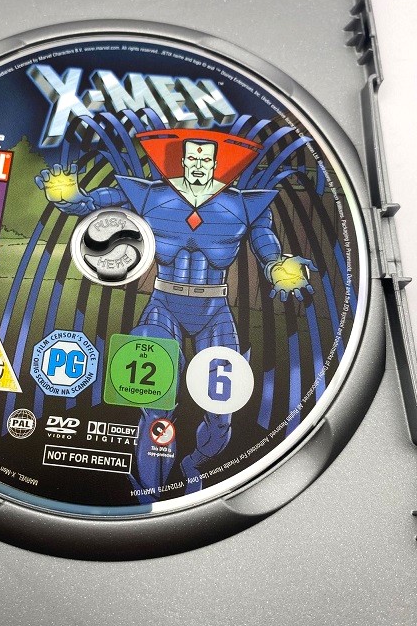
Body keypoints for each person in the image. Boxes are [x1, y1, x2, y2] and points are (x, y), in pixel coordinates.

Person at [36, 131, 316, 498]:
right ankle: (149, 492)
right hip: (163, 306)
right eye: (193, 160)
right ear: (182, 162)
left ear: (216, 165)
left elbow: (266, 242)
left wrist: (277, 266)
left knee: (221, 416)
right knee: (154, 405)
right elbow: (96, 202)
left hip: (214, 312)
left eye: (205, 161)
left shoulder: (245, 205)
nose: (198, 166)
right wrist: (72, 199)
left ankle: (194, 462)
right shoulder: (152, 196)